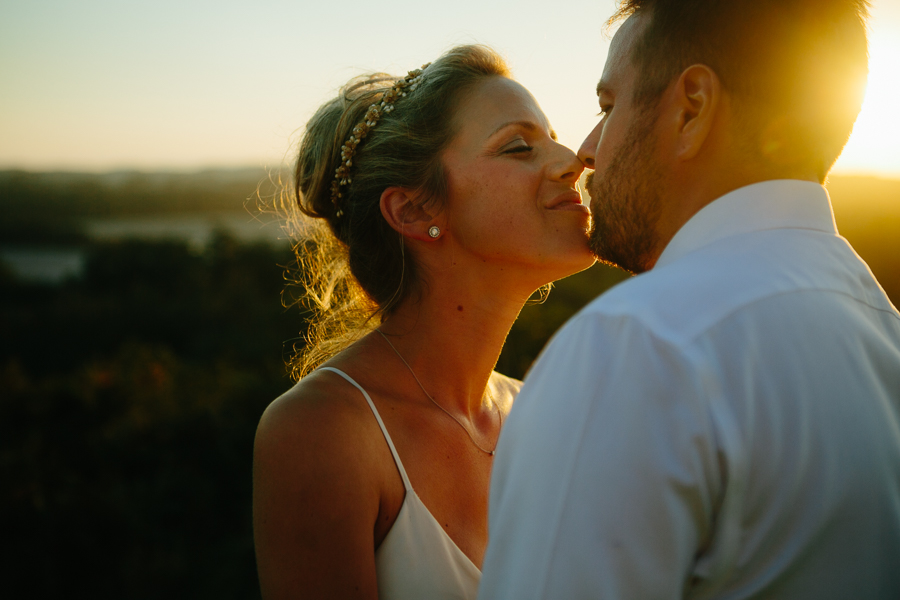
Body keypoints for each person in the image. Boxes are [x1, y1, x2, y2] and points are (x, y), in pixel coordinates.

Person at [479, 1, 900, 598]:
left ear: (691, 109)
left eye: (608, 106)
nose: (587, 149)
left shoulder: (637, 348)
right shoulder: (885, 331)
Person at [252, 44, 595, 600]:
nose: (572, 159)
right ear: (414, 211)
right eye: (518, 147)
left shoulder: (546, 417)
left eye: (553, 137)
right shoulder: (325, 433)